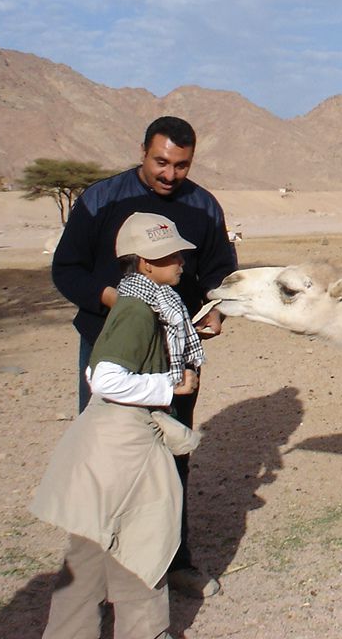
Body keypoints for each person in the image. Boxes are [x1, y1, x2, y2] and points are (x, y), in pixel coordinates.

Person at [52, 116, 237, 598]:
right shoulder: (103, 198)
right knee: (107, 458)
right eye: (161, 162)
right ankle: (94, 575)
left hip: (175, 350)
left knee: (170, 455)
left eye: (181, 165)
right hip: (111, 344)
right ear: (142, 152)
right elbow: (67, 269)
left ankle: (174, 563)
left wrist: (216, 312)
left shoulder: (203, 206)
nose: (170, 174)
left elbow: (219, 272)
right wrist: (123, 302)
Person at [33, 212, 204, 639]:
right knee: (142, 547)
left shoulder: (144, 304)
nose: (181, 261)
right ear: (145, 263)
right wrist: (170, 385)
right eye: (170, 256)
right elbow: (105, 378)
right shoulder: (138, 312)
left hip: (109, 445)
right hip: (124, 446)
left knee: (91, 551)